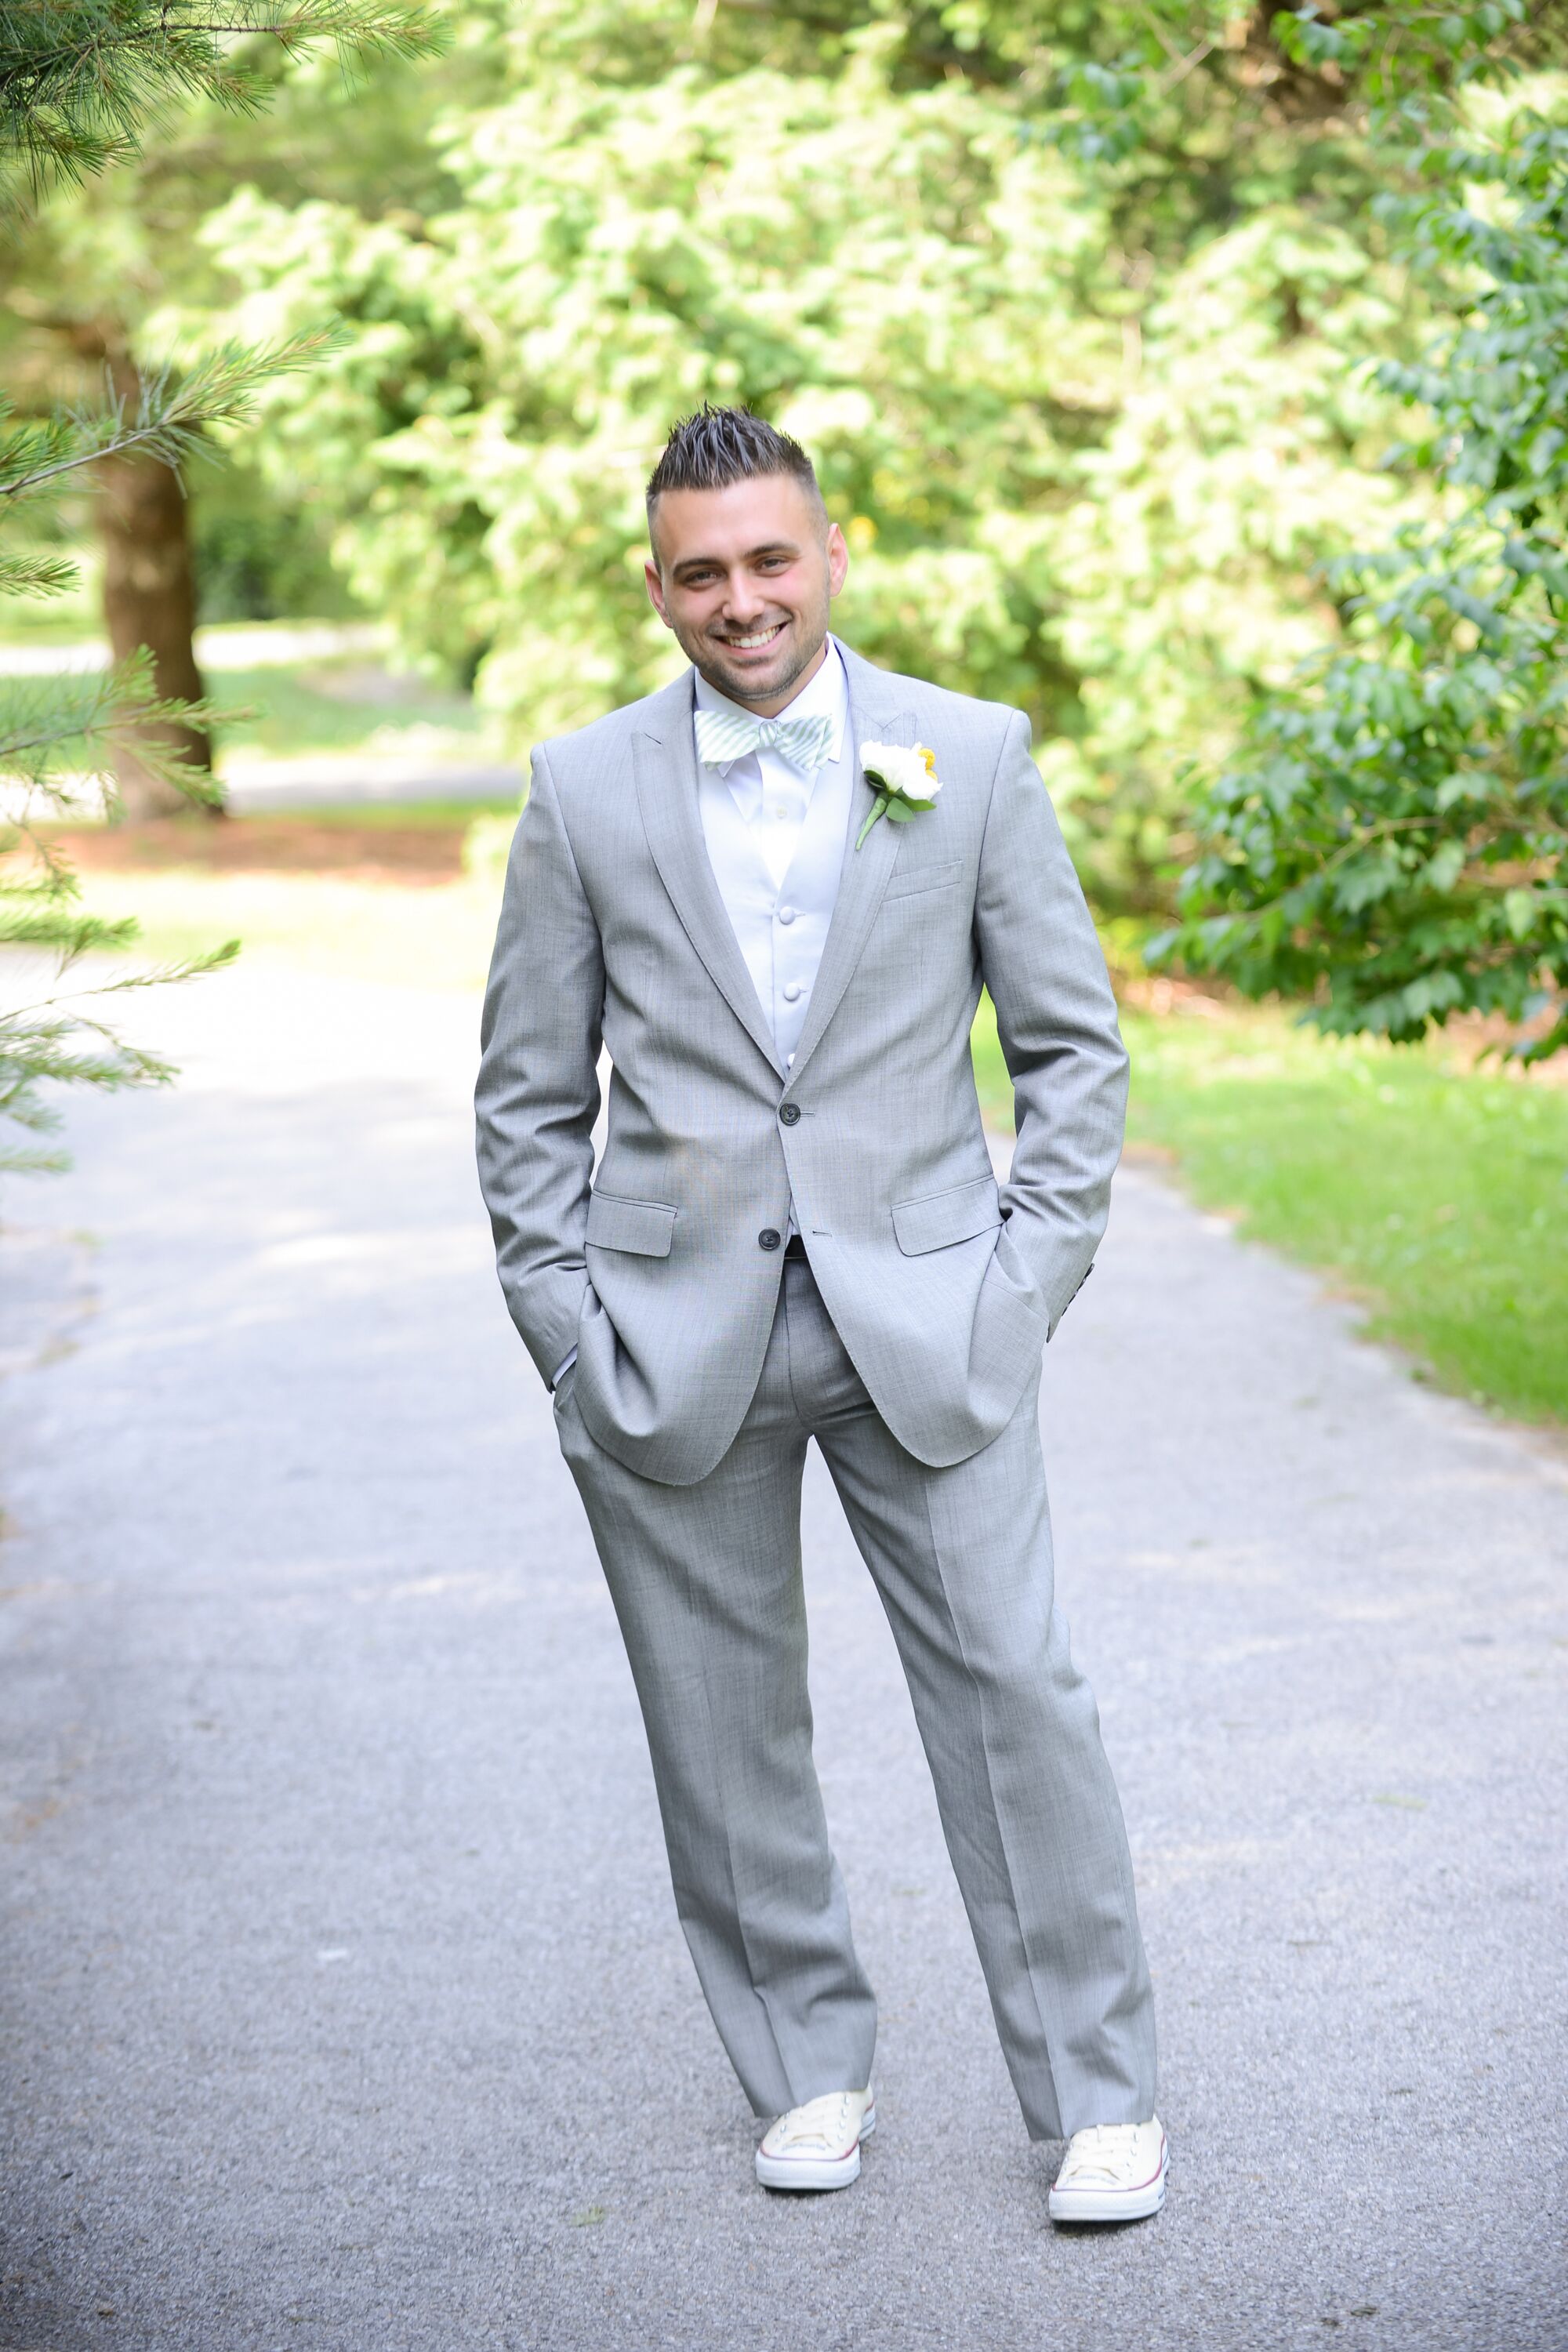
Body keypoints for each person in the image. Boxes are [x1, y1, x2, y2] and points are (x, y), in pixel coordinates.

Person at [475, 405, 1164, 2224]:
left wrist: (1020, 1285)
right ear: (656, 588)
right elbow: (526, 1096)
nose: (740, 600)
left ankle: (1097, 2096)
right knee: (718, 1723)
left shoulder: (971, 754)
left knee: (1017, 1691)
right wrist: (569, 1328)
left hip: (929, 1319)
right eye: (699, 572)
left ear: (832, 552)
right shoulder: (582, 788)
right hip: (666, 1337)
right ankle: (803, 2068)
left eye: (769, 559)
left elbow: (1074, 1052)